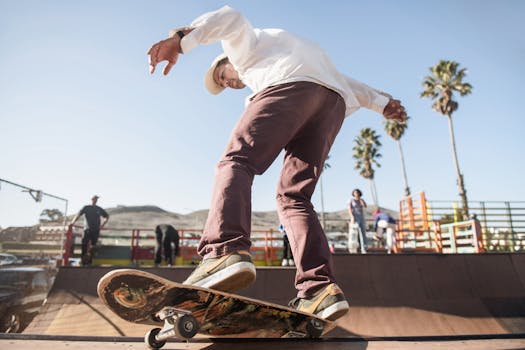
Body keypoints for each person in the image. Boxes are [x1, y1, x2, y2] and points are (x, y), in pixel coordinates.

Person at [147, 5, 407, 321]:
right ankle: (319, 289)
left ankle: (223, 249)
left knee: (235, 161)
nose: (226, 82)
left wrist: (180, 39)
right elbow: (342, 81)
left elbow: (231, 18)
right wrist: (381, 103)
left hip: (289, 89)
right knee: (294, 198)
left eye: (221, 75)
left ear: (227, 62)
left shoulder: (244, 52)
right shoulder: (287, 58)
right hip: (330, 103)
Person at [70, 195, 109, 266]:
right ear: (91, 199)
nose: (95, 200)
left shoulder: (99, 209)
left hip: (96, 230)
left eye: (96, 199)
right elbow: (78, 214)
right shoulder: (86, 208)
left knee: (93, 247)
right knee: (84, 245)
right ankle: (82, 261)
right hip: (87, 229)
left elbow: (107, 216)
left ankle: (90, 262)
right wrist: (72, 222)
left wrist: (102, 225)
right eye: (94, 199)